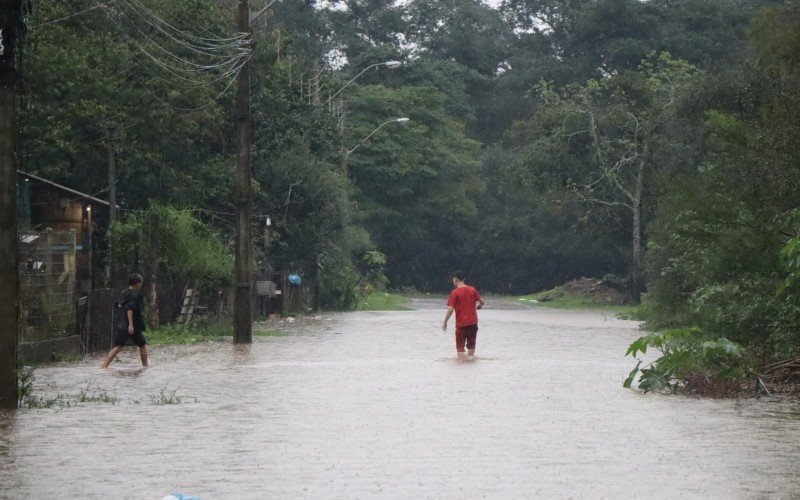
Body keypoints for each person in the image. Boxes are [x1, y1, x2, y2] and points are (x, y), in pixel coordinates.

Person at [101, 273, 149, 368]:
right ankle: (145, 367)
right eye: (141, 283)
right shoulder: (136, 294)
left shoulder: (124, 292)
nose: (141, 285)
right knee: (141, 345)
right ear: (137, 283)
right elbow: (129, 308)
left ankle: (104, 366)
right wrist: (131, 325)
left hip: (122, 324)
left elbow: (119, 306)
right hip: (131, 325)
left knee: (119, 345)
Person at [442, 271, 485, 360]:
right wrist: (479, 306)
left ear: (455, 280)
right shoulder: (472, 290)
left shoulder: (455, 292)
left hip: (461, 325)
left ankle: (462, 371)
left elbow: (451, 309)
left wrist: (445, 322)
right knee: (471, 354)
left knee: (460, 351)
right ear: (463, 279)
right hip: (473, 324)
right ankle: (470, 370)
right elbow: (482, 302)